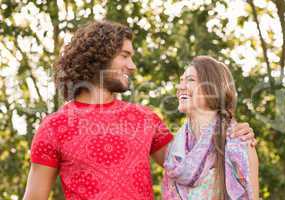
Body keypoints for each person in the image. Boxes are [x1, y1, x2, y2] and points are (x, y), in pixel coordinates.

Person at [23, 21, 256, 200]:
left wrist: (231, 133)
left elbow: (194, 164)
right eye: (125, 56)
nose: (132, 66)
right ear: (99, 57)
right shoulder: (54, 127)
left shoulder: (145, 119)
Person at [162, 56, 259, 200]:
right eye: (181, 80)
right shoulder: (176, 153)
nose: (180, 87)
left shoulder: (239, 144)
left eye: (190, 80)